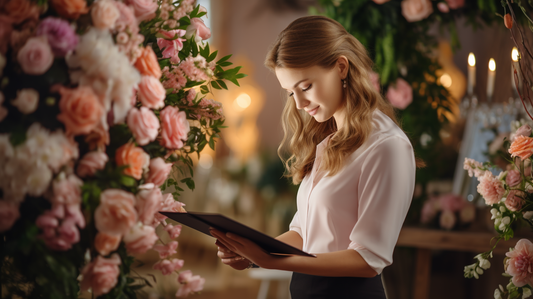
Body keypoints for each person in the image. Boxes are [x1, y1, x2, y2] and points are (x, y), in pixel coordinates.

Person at [210, 15, 417, 299]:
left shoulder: (387, 146)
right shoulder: (327, 140)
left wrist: (272, 261)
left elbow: (368, 259)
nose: (299, 103)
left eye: (305, 87)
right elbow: (305, 232)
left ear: (341, 67)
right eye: (290, 92)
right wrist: (253, 252)